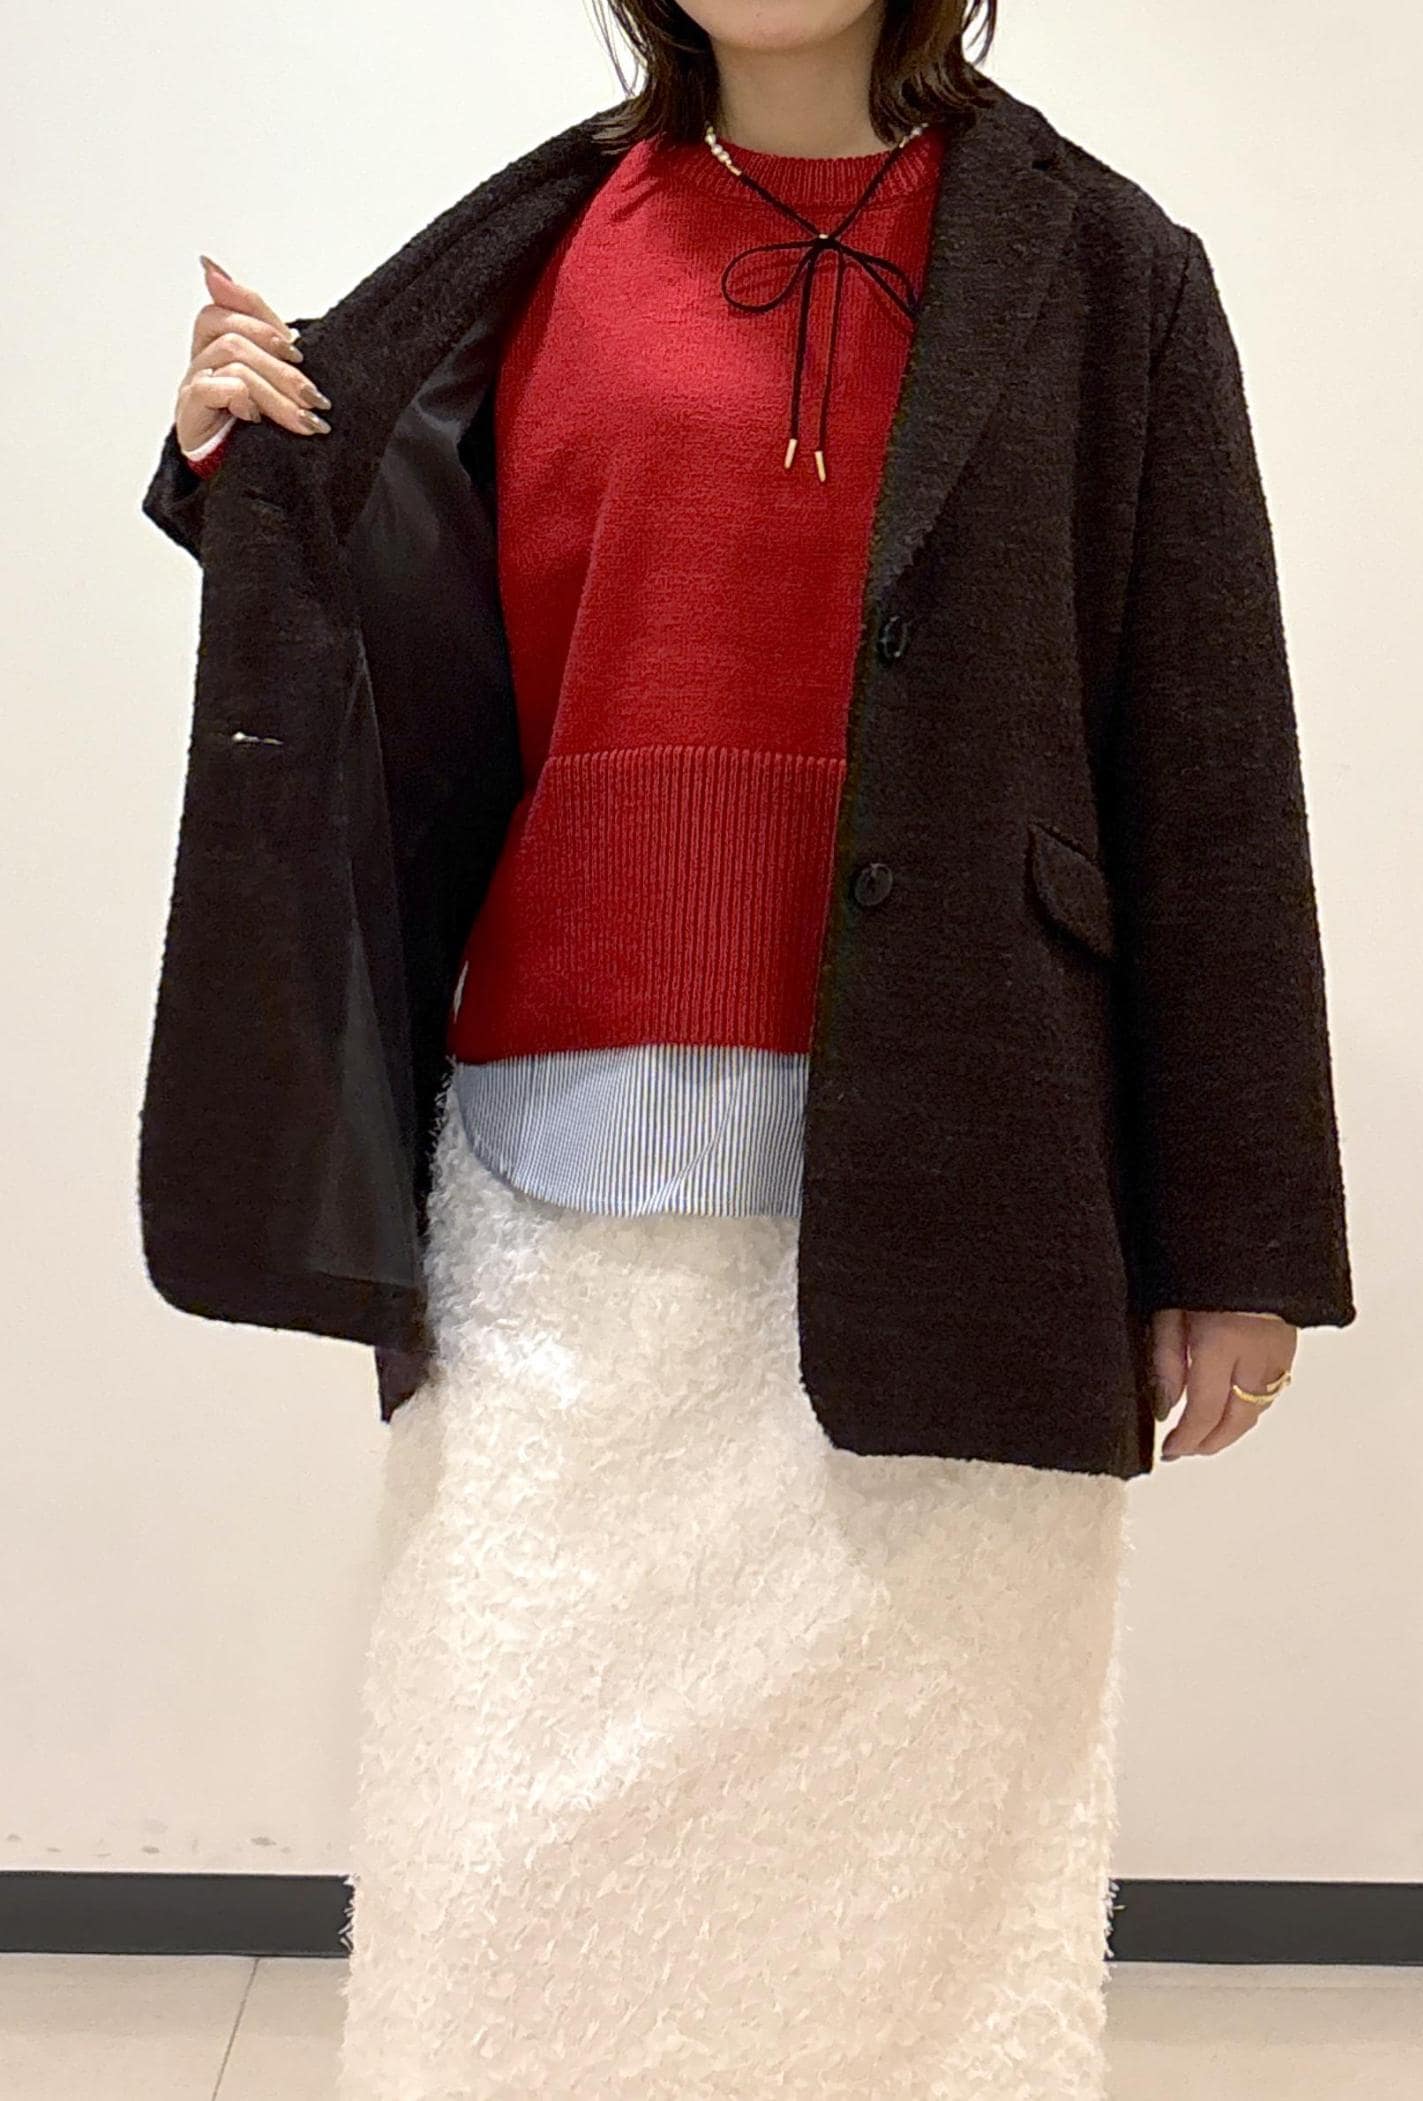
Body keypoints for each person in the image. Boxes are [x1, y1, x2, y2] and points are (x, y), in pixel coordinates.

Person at [142, 2, 1355, 2095]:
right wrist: (236, 474)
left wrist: (1240, 1234)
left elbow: (1211, 753)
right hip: (554, 1183)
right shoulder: (541, 242)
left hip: (971, 1177)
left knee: (911, 1864)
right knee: (501, 1825)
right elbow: (374, 623)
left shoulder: (1105, 266)